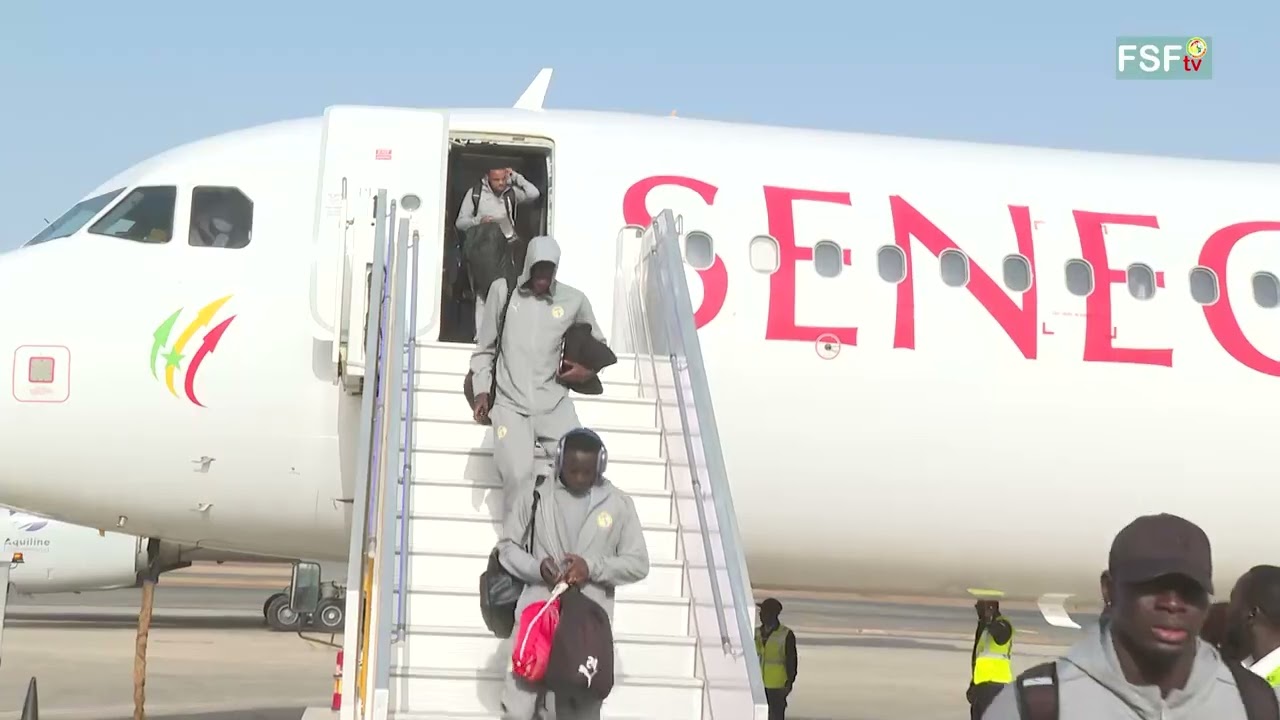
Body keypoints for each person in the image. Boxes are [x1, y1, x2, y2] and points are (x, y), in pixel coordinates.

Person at [981, 513, 1279, 719]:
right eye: (1152, 585)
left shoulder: (1255, 703)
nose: (1172, 603)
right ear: (1109, 589)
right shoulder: (1039, 705)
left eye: (1190, 589)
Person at [495, 427, 650, 720]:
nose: (579, 478)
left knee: (581, 711)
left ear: (600, 465)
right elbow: (507, 548)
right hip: (538, 618)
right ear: (559, 460)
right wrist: (536, 568)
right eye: (572, 470)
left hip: (586, 627)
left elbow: (638, 563)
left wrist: (592, 567)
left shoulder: (619, 505)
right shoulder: (536, 493)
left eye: (587, 472)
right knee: (518, 709)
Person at [469, 235, 605, 513]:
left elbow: (599, 347)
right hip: (510, 405)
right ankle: (516, 538)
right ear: (529, 265)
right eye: (538, 267)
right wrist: (481, 390)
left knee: (582, 467)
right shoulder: (503, 291)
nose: (543, 274)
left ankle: (560, 529)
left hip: (553, 404)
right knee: (518, 475)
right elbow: (484, 349)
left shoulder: (574, 300)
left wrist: (587, 370)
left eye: (549, 269)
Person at [455, 166, 541, 331]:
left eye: (503, 178)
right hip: (483, 250)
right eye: (496, 179)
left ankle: (501, 333)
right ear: (487, 177)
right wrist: (478, 221)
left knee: (507, 290)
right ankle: (481, 335)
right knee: (483, 293)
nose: (501, 183)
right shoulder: (475, 194)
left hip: (507, 250)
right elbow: (460, 223)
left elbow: (534, 193)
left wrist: (515, 176)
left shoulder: (511, 193)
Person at [1226, 565, 1280, 687]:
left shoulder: (1265, 687)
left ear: (1252, 613)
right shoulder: (1236, 673)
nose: (1227, 611)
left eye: (1233, 600)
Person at [968, 599, 1014, 720]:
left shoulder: (1003, 625)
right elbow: (977, 657)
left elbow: (1000, 637)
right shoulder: (989, 628)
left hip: (993, 686)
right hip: (989, 687)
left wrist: (986, 620)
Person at [755, 597, 797, 720]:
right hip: (757, 685)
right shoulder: (755, 633)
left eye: (764, 612)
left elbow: (791, 660)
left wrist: (790, 682)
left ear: (773, 614)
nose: (760, 615)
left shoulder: (786, 634)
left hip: (777, 687)